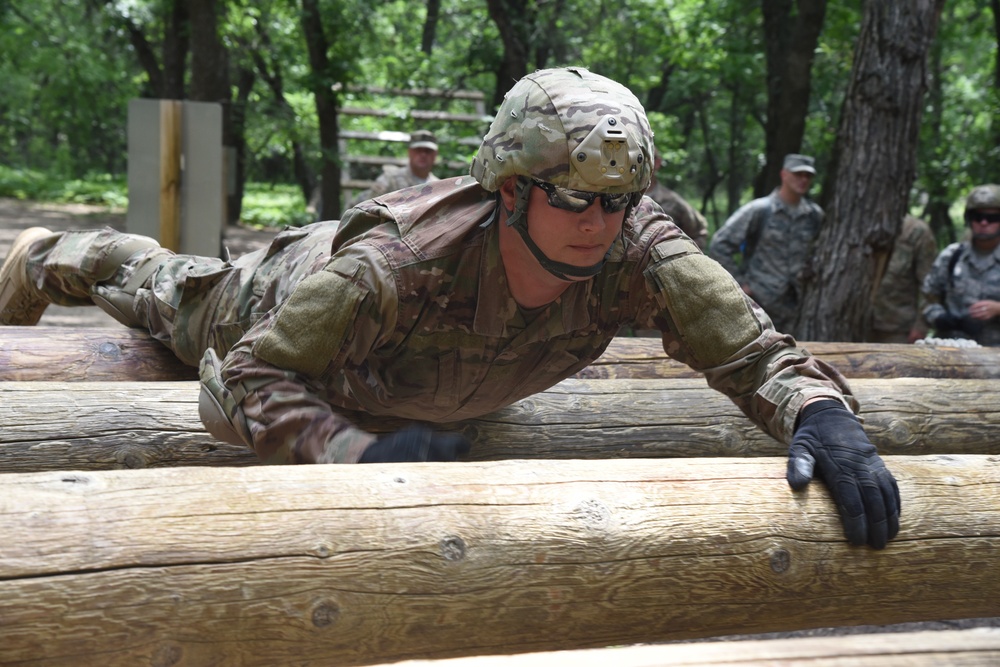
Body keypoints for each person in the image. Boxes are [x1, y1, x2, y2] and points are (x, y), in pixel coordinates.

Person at [0, 67, 899, 549]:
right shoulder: (393, 271)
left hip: (420, 369)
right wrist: (360, 450)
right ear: (511, 192)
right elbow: (237, 381)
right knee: (162, 283)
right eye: (576, 201)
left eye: (618, 203)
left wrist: (818, 410)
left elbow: (744, 347)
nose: (601, 226)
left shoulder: (634, 241)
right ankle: (47, 256)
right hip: (269, 303)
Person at [708, 154, 824, 337]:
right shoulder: (760, 210)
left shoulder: (814, 215)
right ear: (784, 174)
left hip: (798, 308)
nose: (803, 180)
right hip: (759, 305)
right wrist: (739, 284)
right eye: (798, 174)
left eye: (808, 176)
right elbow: (720, 245)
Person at [922, 183, 1000, 346]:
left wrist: (998, 309)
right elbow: (928, 300)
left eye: (992, 218)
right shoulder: (951, 256)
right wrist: (941, 318)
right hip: (953, 351)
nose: (984, 223)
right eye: (977, 217)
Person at [867, 215, 938, 344]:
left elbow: (930, 285)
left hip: (896, 329)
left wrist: (921, 326)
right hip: (852, 325)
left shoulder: (916, 232)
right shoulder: (855, 225)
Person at [355, 129, 440, 203]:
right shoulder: (390, 179)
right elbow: (369, 208)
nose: (423, 154)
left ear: (435, 154)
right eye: (418, 150)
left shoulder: (439, 186)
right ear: (410, 152)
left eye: (428, 151)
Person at [645, 151, 708, 250]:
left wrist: (681, 254)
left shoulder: (672, 201)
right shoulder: (617, 200)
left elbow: (699, 233)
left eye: (645, 158)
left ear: (657, 162)